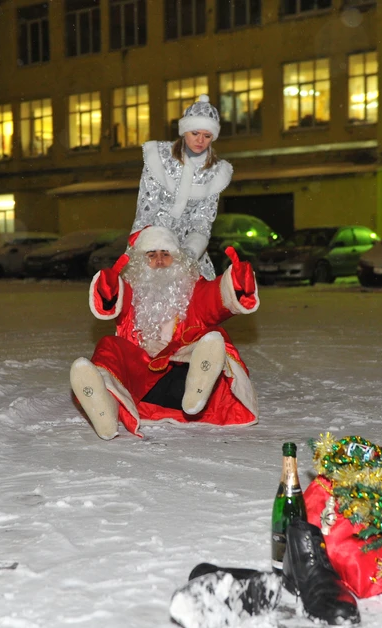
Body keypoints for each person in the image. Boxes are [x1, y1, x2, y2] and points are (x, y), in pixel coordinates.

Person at [69, 225, 258, 440]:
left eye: (166, 254)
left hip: (182, 382)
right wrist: (109, 290)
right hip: (141, 389)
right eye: (151, 255)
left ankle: (198, 389)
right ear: (140, 262)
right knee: (109, 345)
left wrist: (236, 283)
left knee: (213, 337)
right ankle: (105, 408)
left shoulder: (192, 288)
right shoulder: (132, 291)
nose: (159, 261)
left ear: (178, 259)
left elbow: (214, 298)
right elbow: (115, 298)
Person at [132, 95, 233, 281]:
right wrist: (153, 247)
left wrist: (188, 253)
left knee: (195, 303)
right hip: (154, 248)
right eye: (195, 133)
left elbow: (203, 220)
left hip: (189, 253)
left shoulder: (216, 172)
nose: (200, 140)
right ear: (184, 130)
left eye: (207, 135)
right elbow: (146, 208)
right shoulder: (158, 159)